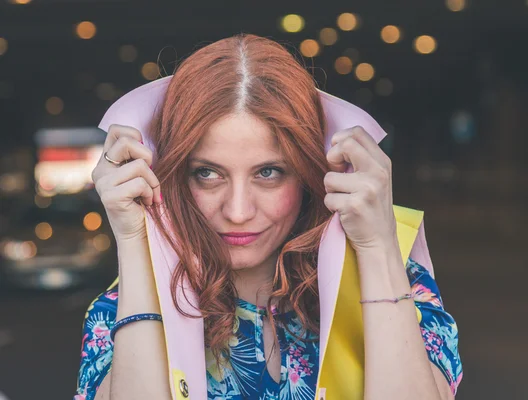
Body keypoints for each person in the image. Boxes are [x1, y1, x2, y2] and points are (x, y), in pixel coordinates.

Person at [75, 34, 462, 400]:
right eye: (207, 174)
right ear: (172, 176)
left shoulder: (400, 280)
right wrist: (135, 237)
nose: (238, 212)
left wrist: (377, 247)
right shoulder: (117, 310)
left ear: (312, 172)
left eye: (269, 172)